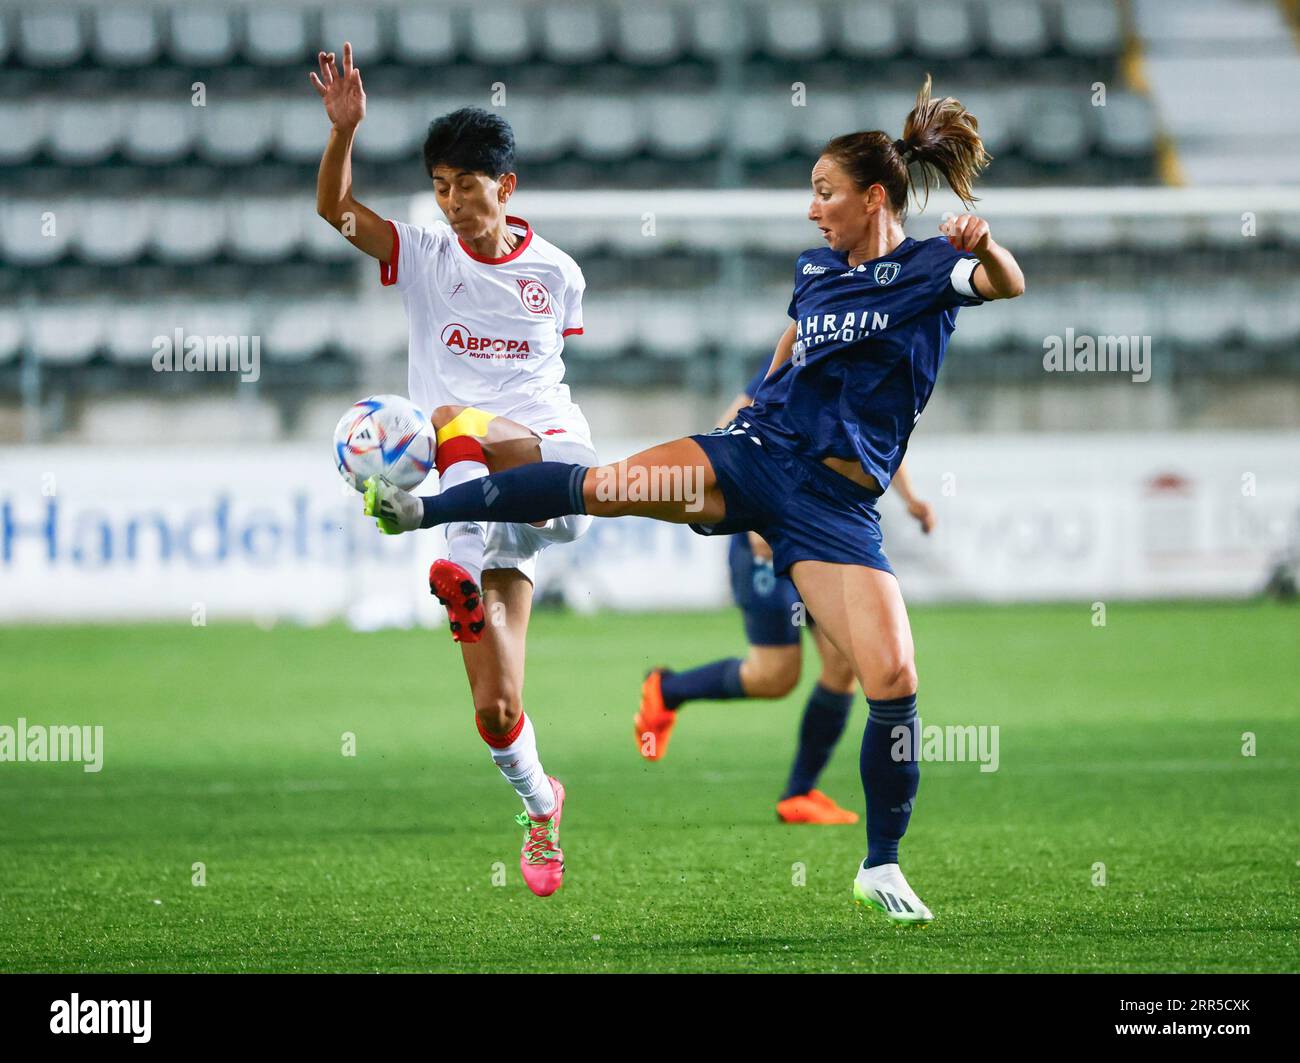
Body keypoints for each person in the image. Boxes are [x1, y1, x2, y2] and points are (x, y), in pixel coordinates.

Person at [365, 75, 1025, 924]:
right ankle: (430, 513)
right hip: (755, 462)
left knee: (893, 675)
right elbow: (792, 342)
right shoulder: (818, 270)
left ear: (873, 197)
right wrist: (752, 397)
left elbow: (1004, 284)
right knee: (604, 486)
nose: (813, 209)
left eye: (824, 193)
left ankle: (882, 864)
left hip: (836, 512)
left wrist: (986, 241)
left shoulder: (933, 268)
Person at [311, 44, 597, 897]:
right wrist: (345, 133)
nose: (450, 202)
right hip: (479, 505)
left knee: (446, 417)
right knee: (495, 709)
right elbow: (335, 209)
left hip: (552, 466)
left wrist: (461, 458)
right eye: (439, 186)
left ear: (505, 187)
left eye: (465, 186)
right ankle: (542, 804)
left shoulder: (558, 275)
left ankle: (457, 568)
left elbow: (550, 380)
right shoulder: (425, 256)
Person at [636, 365, 937, 829]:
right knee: (776, 676)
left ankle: (799, 793)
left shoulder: (867, 357)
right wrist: (755, 515)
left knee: (845, 664)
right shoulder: (811, 347)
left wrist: (911, 497)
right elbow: (733, 425)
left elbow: (872, 441)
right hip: (768, 531)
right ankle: (667, 689)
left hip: (821, 529)